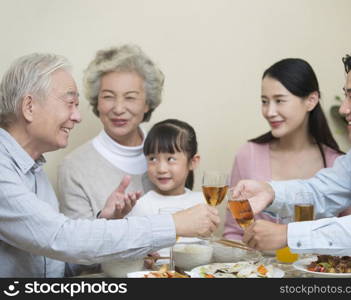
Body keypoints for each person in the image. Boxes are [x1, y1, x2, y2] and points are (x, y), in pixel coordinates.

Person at [0, 52, 220, 277]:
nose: (78, 116)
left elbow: (55, 262)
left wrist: (109, 228)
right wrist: (173, 224)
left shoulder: (34, 169)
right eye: (70, 103)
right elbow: (61, 237)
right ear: (29, 106)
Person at [236, 47, 351, 276]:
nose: (343, 109)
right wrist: (270, 192)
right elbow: (319, 191)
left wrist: (288, 235)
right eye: (345, 97)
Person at [223, 58, 345, 241]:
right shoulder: (248, 155)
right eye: (265, 101)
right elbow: (233, 232)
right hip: (259, 269)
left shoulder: (337, 163)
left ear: (311, 100)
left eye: (279, 100)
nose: (270, 111)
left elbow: (348, 233)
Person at [58, 44, 162, 219]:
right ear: (96, 102)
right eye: (108, 96)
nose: (119, 108)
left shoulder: (169, 154)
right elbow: (76, 242)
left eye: (130, 97)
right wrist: (107, 221)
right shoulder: (74, 168)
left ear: (147, 103)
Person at [128, 119, 207, 264]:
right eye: (153, 159)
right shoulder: (142, 205)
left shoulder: (202, 202)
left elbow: (207, 248)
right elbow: (134, 251)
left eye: (170, 159)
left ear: (193, 162)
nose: (161, 169)